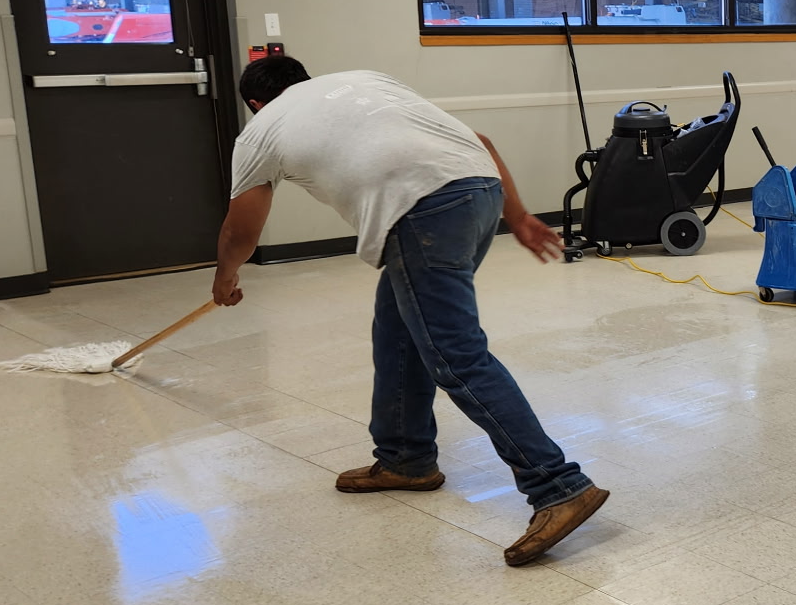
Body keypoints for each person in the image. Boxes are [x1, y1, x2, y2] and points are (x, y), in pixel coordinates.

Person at [211, 54, 607, 567]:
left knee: (455, 355)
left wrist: (226, 276)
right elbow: (480, 143)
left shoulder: (261, 128)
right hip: (481, 191)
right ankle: (406, 458)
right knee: (398, 331)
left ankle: (558, 485)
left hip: (424, 211)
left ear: (255, 103)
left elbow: (241, 228)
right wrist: (520, 216)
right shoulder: (363, 79)